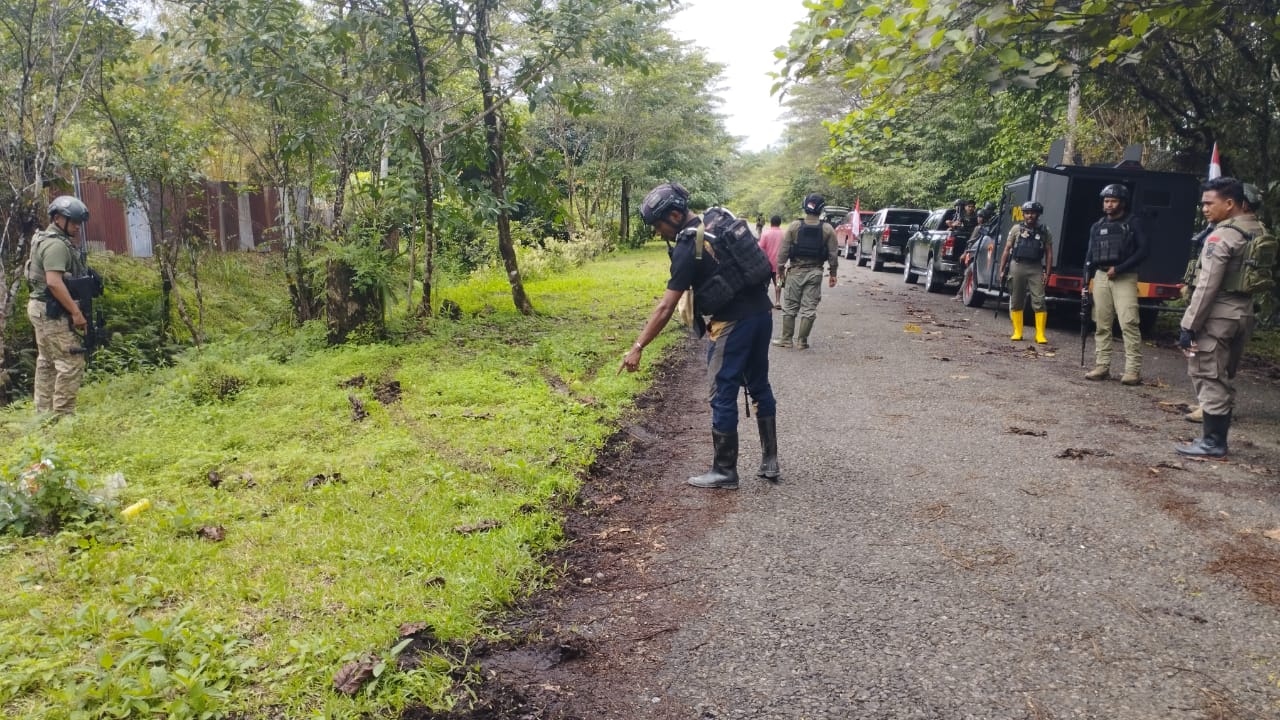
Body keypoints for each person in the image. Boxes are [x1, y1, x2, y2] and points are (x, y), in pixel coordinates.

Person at [620, 182, 779, 489]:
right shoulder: (718, 221)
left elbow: (665, 307)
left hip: (733, 323)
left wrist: (638, 346)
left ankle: (724, 471)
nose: (658, 233)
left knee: (722, 391)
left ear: (675, 215)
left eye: (659, 226)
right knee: (760, 384)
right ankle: (770, 461)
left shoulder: (687, 246)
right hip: (762, 313)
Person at [1176, 177, 1261, 457]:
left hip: (1218, 315)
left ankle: (1213, 442)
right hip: (1243, 312)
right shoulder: (1256, 229)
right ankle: (1215, 439)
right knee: (1223, 374)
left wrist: (1189, 325)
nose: (1204, 208)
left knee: (1208, 374)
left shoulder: (1222, 236)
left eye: (1209, 203)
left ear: (1229, 203)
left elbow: (1207, 285)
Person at [26, 195, 91, 415]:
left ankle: (43, 415)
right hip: (52, 311)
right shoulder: (56, 245)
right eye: (73, 222)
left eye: (79, 222)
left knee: (47, 362)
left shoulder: (45, 238)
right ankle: (63, 416)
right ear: (57, 219)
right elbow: (54, 282)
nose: (77, 226)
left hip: (41, 308)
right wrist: (76, 312)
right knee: (70, 361)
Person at [1083, 184, 1150, 385]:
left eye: (1113, 201)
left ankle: (1132, 371)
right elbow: (1089, 255)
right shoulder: (1097, 226)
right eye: (1106, 201)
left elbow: (1144, 250)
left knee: (1128, 322)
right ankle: (1102, 366)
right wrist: (1085, 282)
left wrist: (1119, 268)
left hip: (1125, 277)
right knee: (1101, 323)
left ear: (1122, 203)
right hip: (1101, 276)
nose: (1109, 204)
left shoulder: (1133, 223)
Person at [773, 193, 838, 350]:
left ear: (805, 206)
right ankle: (802, 342)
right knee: (809, 309)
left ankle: (786, 339)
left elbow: (783, 251)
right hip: (815, 272)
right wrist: (833, 274)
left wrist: (780, 270)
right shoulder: (828, 229)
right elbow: (833, 255)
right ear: (821, 209)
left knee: (790, 307)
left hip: (795, 272)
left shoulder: (794, 226)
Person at [998, 201, 1053, 343]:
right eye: (1027, 213)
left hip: (1035, 267)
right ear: (1023, 214)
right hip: (1017, 265)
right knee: (1016, 299)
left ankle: (1040, 334)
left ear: (1038, 215)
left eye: (1033, 213)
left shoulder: (1044, 230)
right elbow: (1007, 249)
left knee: (1039, 300)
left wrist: (1047, 272)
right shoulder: (1016, 229)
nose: (1030, 216)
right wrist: (1002, 269)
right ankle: (1018, 332)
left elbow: (1049, 252)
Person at [758, 215, 784, 309]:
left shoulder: (765, 233)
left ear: (771, 222)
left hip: (766, 264)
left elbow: (760, 248)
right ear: (780, 223)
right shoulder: (784, 234)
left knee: (765, 284)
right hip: (780, 265)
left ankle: (763, 303)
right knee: (779, 283)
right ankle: (777, 301)